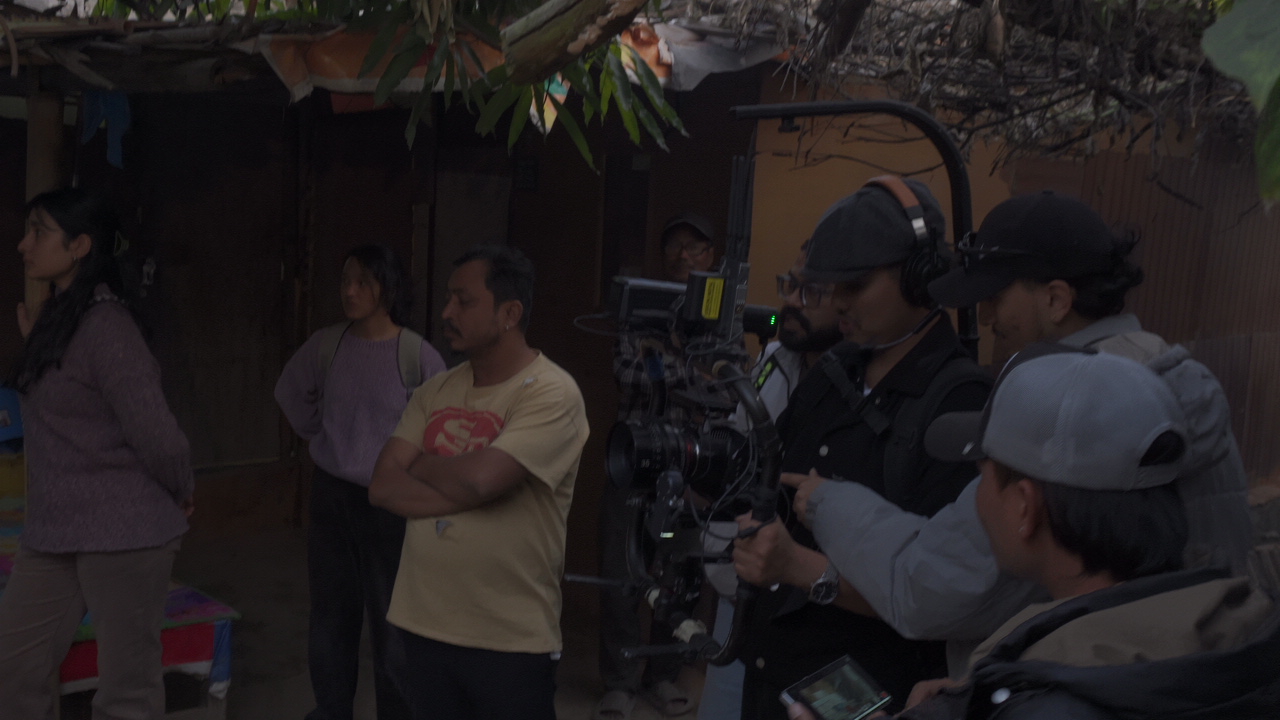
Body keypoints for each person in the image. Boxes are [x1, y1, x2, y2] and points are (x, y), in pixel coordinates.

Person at [785, 191, 1256, 677]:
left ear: (1056, 299)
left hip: (1093, 684)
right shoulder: (1167, 377)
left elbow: (932, 589)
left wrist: (828, 504)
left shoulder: (1068, 412)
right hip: (1190, 675)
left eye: (995, 298)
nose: (987, 318)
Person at [791, 347, 1280, 720]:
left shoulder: (1056, 700)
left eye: (982, 477)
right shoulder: (1240, 633)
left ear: (1025, 508)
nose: (975, 499)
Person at [731, 176, 992, 719]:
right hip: (772, 678)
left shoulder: (960, 403)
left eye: (854, 285)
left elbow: (942, 595)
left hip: (872, 694)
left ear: (920, 277)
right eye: (830, 287)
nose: (839, 303)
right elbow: (770, 482)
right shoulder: (833, 372)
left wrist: (801, 568)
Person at [369, 245, 588, 720]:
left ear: (510, 314)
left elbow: (484, 482)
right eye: (449, 298)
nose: (447, 312)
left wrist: (423, 463)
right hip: (422, 626)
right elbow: (382, 486)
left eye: (463, 301)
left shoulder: (552, 393)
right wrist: (467, 485)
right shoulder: (436, 389)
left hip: (508, 639)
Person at [0, 187, 194, 719]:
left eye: (39, 232)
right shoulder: (60, 316)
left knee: (126, 691)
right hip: (54, 529)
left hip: (123, 530)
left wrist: (181, 488)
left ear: (80, 245)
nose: (23, 245)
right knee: (13, 666)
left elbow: (158, 433)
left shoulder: (108, 326)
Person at [274, 244, 446, 720]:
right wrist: (322, 435)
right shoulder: (326, 345)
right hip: (332, 495)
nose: (350, 291)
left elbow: (442, 427)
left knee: (395, 620)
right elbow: (289, 391)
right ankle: (332, 710)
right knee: (331, 614)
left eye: (363, 282)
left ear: (388, 289)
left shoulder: (416, 356)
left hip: (391, 502)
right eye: (346, 281)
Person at [698, 243, 845, 720]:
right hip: (744, 583)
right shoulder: (775, 359)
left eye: (811, 291)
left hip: (815, 605)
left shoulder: (862, 382)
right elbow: (742, 441)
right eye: (790, 285)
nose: (793, 301)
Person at [597, 212, 723, 720]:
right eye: (674, 246)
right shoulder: (641, 307)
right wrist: (691, 374)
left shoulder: (719, 315)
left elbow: (726, 383)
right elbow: (627, 372)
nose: (683, 255)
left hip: (692, 467)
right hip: (633, 460)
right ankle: (620, 682)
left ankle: (663, 675)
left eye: (695, 247)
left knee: (680, 576)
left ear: (711, 256)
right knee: (621, 574)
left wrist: (671, 370)